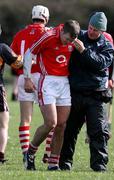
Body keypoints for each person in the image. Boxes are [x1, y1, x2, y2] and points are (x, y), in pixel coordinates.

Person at [59, 12, 114, 172]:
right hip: (74, 92)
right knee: (69, 130)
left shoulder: (106, 46)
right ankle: (64, 163)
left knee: (98, 132)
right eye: (90, 27)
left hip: (95, 94)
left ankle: (99, 164)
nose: (91, 31)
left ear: (102, 31)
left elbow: (100, 64)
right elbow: (61, 35)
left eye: (95, 30)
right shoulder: (78, 35)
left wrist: (84, 51)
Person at [23, 19, 80, 170]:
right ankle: (30, 153)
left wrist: (83, 49)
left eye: (71, 40)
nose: (68, 42)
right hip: (47, 81)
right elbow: (29, 54)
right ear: (62, 31)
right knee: (51, 123)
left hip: (64, 83)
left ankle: (53, 163)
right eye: (67, 39)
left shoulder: (74, 41)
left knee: (61, 125)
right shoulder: (48, 36)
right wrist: (27, 78)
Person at [10, 5, 53, 163]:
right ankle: (48, 153)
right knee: (50, 120)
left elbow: (14, 60)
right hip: (42, 78)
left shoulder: (20, 34)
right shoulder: (48, 33)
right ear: (46, 18)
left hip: (23, 77)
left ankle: (25, 154)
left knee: (25, 119)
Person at [0, 25, 23, 163]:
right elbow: (17, 64)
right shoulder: (2, 47)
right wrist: (29, 60)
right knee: (3, 124)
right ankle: (0, 155)